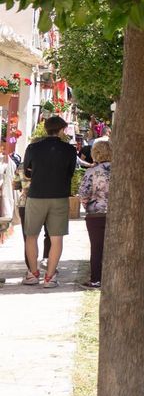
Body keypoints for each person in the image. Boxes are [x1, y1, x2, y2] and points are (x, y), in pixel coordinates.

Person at [21, 116, 77, 287]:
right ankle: (50, 277)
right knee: (56, 238)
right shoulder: (69, 149)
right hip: (59, 196)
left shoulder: (33, 147)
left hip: (36, 195)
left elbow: (27, 172)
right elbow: (71, 172)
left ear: (46, 129)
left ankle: (33, 274)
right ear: (61, 129)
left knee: (31, 236)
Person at [78, 138, 111, 288]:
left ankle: (96, 278)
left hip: (96, 214)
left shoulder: (91, 172)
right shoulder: (121, 170)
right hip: (116, 213)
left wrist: (87, 206)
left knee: (97, 247)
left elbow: (84, 194)